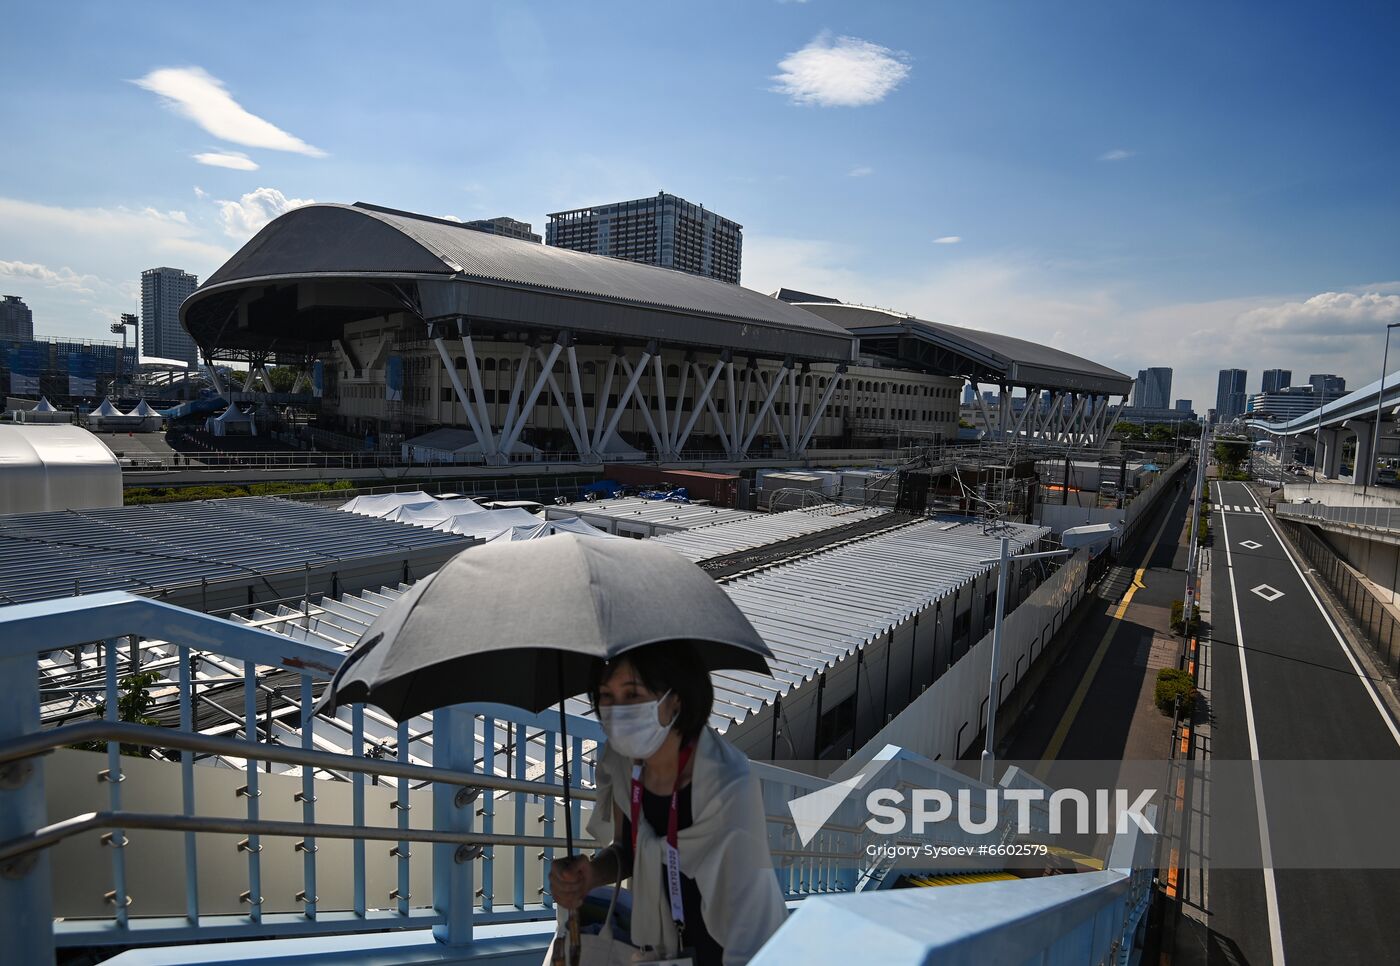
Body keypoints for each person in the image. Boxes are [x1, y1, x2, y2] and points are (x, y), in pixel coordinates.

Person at [549, 641, 787, 965]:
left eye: (632, 695)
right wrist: (589, 875)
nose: (617, 710)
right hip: (657, 949)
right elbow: (627, 849)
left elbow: (749, 911)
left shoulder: (728, 784)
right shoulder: (620, 763)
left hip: (726, 947)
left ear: (674, 701)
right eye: (607, 696)